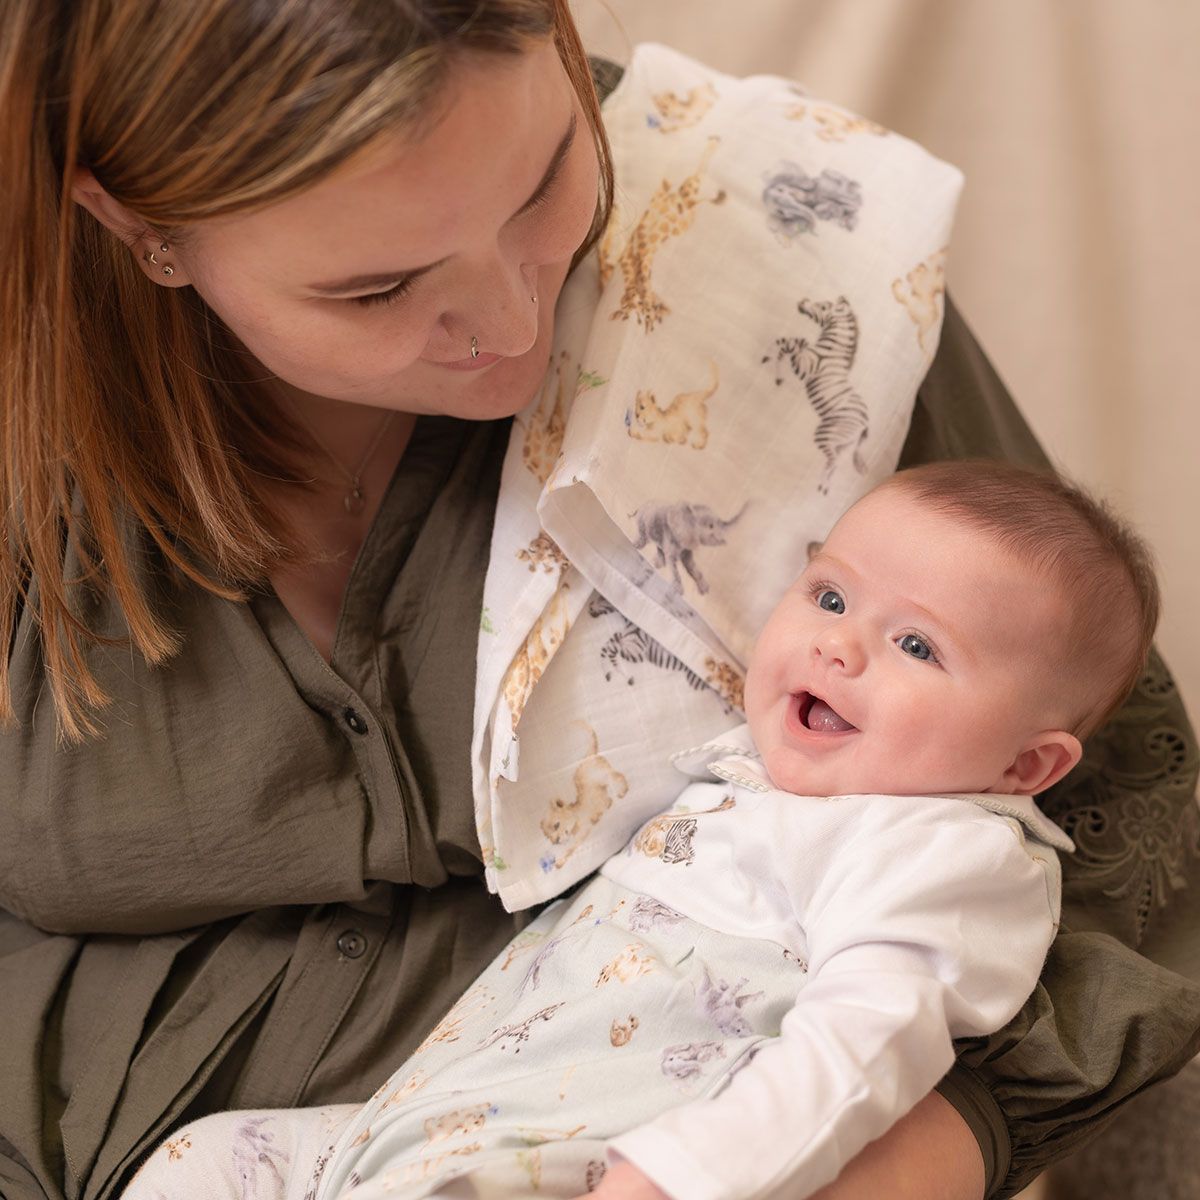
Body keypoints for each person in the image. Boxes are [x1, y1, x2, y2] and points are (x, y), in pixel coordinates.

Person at [0, 4, 1197, 1200]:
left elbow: (1120, 809)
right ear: (141, 227)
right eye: (377, 290)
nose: (514, 323)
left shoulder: (779, 257)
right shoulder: (28, 393)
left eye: (542, 187)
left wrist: (893, 1159)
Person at [118, 460, 1160, 1200]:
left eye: (918, 647)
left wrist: (680, 1177)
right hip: (416, 1128)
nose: (839, 648)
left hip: (585, 1163)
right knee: (198, 1163)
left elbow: (867, 1042)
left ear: (1027, 767)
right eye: (831, 595)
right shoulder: (745, 773)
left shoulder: (944, 852)